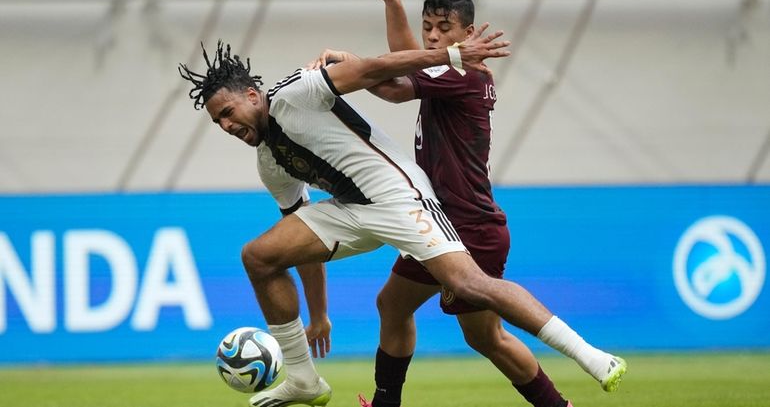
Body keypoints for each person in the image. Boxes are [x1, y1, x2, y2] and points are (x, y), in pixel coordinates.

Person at [175, 30, 610, 407]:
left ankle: (590, 355)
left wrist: (452, 56)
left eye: (227, 113)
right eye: (218, 122)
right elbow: (300, 242)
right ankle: (304, 380)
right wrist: (319, 315)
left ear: (253, 95)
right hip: (352, 212)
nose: (226, 125)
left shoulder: (298, 92)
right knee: (260, 256)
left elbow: (373, 68)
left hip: (400, 197)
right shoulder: (269, 163)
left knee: (469, 286)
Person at [304, 0, 627, 407]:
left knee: (485, 336)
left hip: (468, 226)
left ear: (468, 34)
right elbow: (408, 63)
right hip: (444, 222)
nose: (434, 36)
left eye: (444, 28)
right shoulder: (447, 69)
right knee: (404, 309)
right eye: (428, 27)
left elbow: (395, 87)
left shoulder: (461, 73)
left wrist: (351, 63)